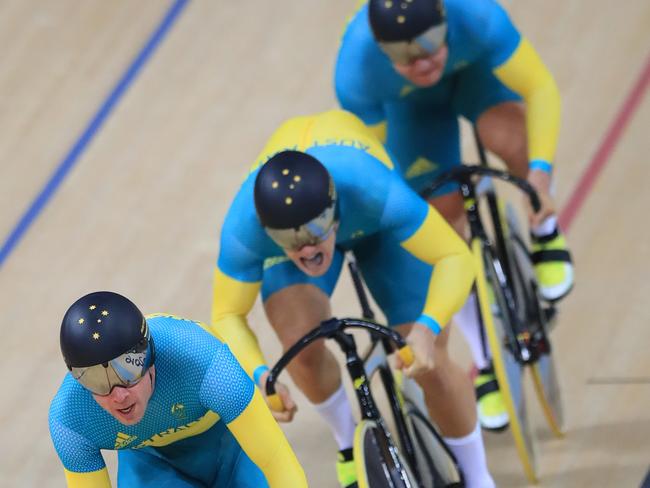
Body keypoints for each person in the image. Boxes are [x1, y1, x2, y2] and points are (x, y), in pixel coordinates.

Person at [211, 109, 495, 488]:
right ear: (268, 230)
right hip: (325, 215)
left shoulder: (372, 188)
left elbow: (455, 257)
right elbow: (228, 314)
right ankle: (349, 445)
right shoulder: (244, 228)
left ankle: (478, 477)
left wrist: (427, 328)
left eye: (315, 231)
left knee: (432, 364)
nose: (306, 247)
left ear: (332, 208)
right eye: (290, 240)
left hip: (373, 224)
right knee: (300, 347)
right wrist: (260, 377)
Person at [334, 0, 574, 431]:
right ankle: (486, 358)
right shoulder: (357, 66)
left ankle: (546, 230)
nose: (422, 61)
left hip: (475, 79)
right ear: (383, 51)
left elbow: (540, 89)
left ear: (445, 22)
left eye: (429, 44)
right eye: (405, 55)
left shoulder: (477, 15)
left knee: (510, 136)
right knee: (439, 226)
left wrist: (538, 178)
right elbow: (374, 167)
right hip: (414, 113)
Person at [49, 291, 307, 487]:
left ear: (150, 358)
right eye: (97, 382)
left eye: (128, 373)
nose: (118, 395)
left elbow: (276, 460)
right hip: (150, 463)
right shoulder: (70, 419)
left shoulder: (200, 358)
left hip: (230, 446)